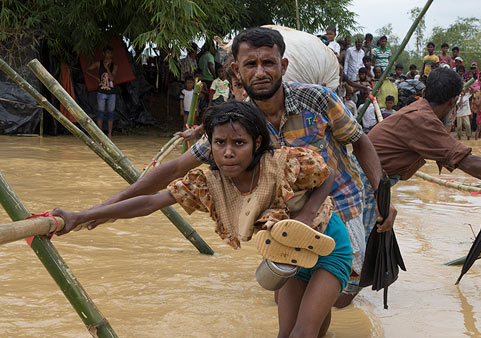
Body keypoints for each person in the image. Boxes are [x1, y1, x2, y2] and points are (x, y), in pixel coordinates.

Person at [52, 101, 352, 338]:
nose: (229, 152)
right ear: (210, 146)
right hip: (288, 256)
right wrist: (82, 216)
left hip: (329, 248)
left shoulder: (284, 163)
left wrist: (305, 213)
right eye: (220, 143)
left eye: (239, 143)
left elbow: (327, 174)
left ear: (257, 143)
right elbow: (150, 202)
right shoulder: (206, 185)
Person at [88, 27, 392, 309]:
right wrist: (110, 206)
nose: (260, 72)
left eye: (268, 63)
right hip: (289, 217)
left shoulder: (317, 98)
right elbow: (176, 169)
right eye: (250, 65)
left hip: (343, 203)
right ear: (238, 71)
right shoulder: (237, 124)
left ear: (282, 67)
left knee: (338, 301)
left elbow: (360, 142)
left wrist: (383, 196)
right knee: (288, 303)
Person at [365, 67, 481, 243]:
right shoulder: (423, 120)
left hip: (371, 180)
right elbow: (466, 160)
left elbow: (456, 159)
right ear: (453, 102)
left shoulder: (419, 111)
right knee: (357, 255)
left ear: (426, 91)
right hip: (365, 183)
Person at [88, 45, 118, 139]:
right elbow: (87, 70)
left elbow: (112, 78)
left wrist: (107, 68)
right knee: (100, 112)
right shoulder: (98, 64)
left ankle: (109, 134)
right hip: (101, 91)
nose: (109, 55)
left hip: (112, 93)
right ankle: (100, 133)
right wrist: (96, 78)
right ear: (103, 54)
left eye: (110, 53)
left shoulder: (114, 66)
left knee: (110, 113)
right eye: (107, 53)